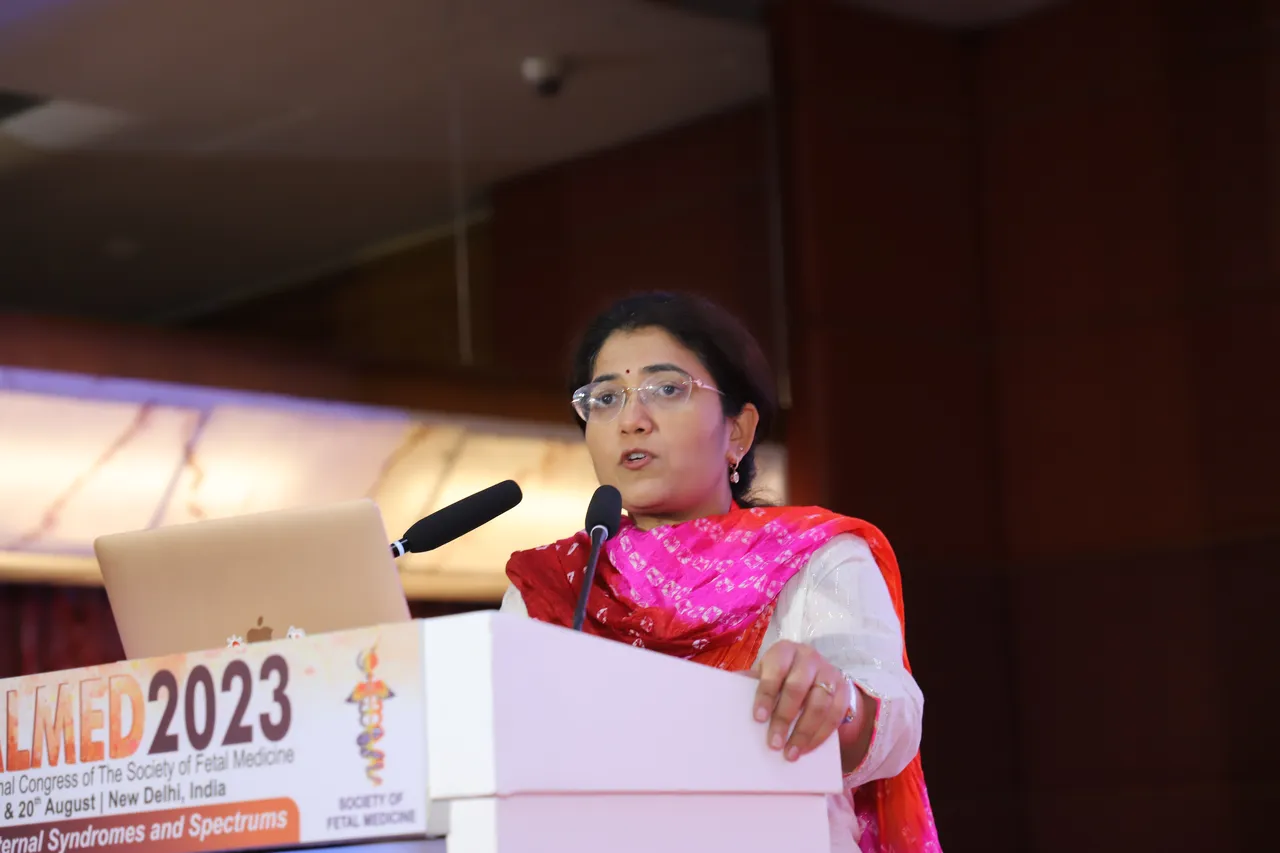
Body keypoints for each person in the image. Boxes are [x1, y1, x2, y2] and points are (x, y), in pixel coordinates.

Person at [500, 292, 941, 853]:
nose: (631, 421)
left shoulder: (812, 556)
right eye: (606, 399)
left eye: (666, 389)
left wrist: (836, 701)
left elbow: (894, 720)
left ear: (737, 431)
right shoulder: (554, 586)